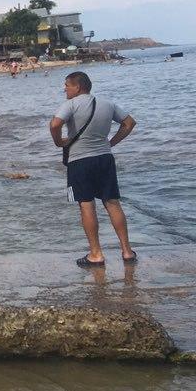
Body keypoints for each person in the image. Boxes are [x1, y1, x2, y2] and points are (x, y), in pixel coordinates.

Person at [49, 71, 138, 268]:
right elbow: (129, 123)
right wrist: (111, 142)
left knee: (86, 205)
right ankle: (127, 251)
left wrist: (59, 142)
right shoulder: (107, 103)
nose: (64, 89)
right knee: (112, 203)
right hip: (104, 158)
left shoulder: (71, 104)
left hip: (80, 162)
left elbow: (55, 124)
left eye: (67, 85)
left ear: (77, 87)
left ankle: (96, 254)